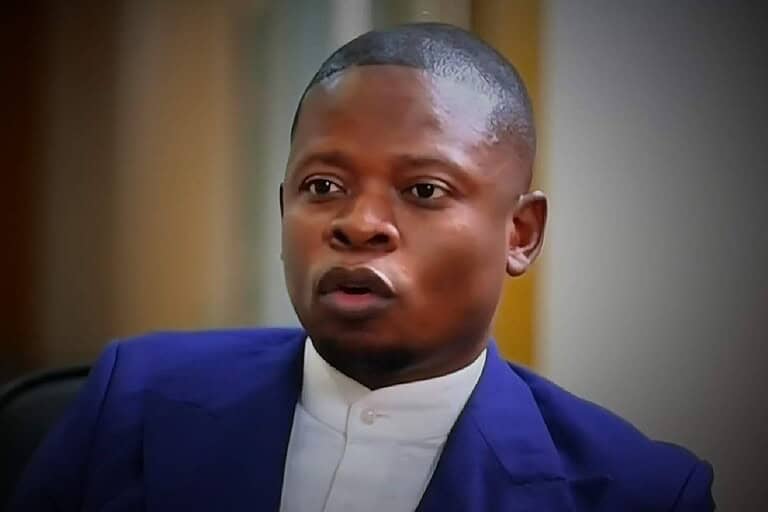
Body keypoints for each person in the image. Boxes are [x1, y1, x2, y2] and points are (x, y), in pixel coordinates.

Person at [11, 23, 714, 511]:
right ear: (282, 207)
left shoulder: (640, 493)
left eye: (424, 190)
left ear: (520, 234)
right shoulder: (133, 400)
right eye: (323, 186)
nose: (358, 223)